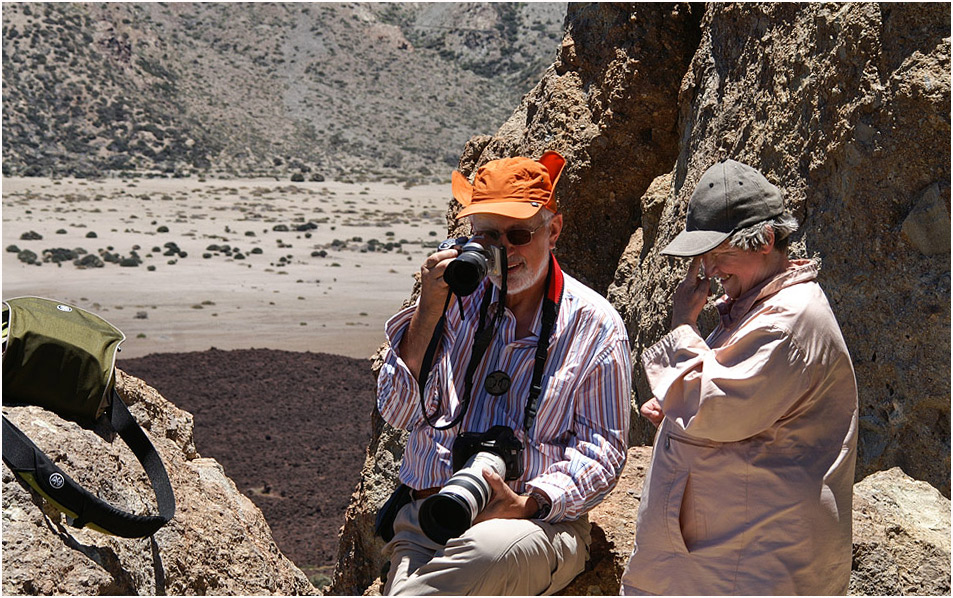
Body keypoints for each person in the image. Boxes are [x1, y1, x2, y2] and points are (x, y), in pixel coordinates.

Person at [376, 151, 631, 595]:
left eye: (519, 234)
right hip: (429, 518)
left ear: (553, 231)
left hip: (531, 526)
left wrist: (527, 503)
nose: (505, 250)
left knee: (485, 553)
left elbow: (604, 449)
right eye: (489, 236)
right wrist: (429, 310)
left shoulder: (594, 325)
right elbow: (396, 410)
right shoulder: (448, 304)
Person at [621, 159, 858, 595]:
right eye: (704, 258)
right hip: (721, 559)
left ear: (765, 240)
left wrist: (682, 327)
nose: (710, 270)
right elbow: (723, 397)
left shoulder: (785, 323)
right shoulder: (755, 308)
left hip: (749, 565)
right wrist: (678, 406)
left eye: (720, 254)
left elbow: (717, 410)